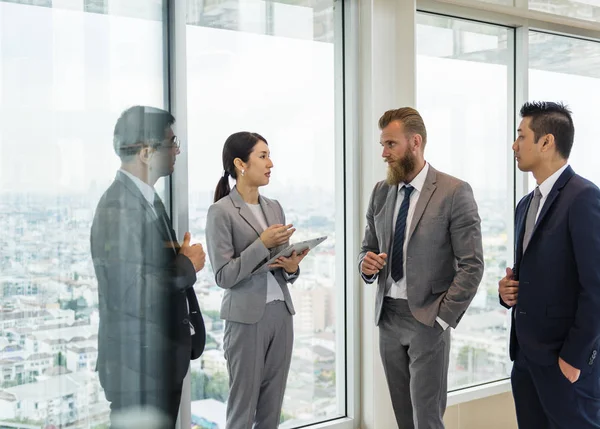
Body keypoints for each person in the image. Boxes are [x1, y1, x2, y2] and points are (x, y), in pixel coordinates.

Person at [358, 107, 484, 429]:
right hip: (387, 317)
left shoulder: (454, 192)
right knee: (403, 419)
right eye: (383, 145)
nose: (383, 153)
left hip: (428, 319)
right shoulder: (380, 192)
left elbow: (472, 265)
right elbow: (367, 249)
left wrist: (441, 318)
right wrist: (366, 265)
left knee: (426, 419)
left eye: (390, 144)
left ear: (415, 142)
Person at [91, 105, 206, 429]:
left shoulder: (145, 198)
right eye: (171, 142)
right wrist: (185, 265)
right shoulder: (119, 206)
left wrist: (176, 257)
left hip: (153, 362)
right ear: (145, 152)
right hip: (136, 368)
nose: (177, 150)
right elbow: (128, 291)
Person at [499, 101, 600, 429]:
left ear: (546, 142)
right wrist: (507, 292)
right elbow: (531, 274)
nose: (515, 145)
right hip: (525, 362)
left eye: (521, 136)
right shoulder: (525, 205)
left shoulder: (584, 197)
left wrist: (574, 359)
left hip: (565, 365)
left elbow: (596, 288)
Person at [205, 131, 308, 429]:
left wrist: (291, 266)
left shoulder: (273, 206)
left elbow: (281, 268)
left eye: (269, 155)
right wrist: (262, 243)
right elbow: (224, 275)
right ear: (240, 164)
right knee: (242, 408)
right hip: (246, 319)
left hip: (281, 314)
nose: (270, 163)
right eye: (263, 156)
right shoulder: (220, 212)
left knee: (271, 409)